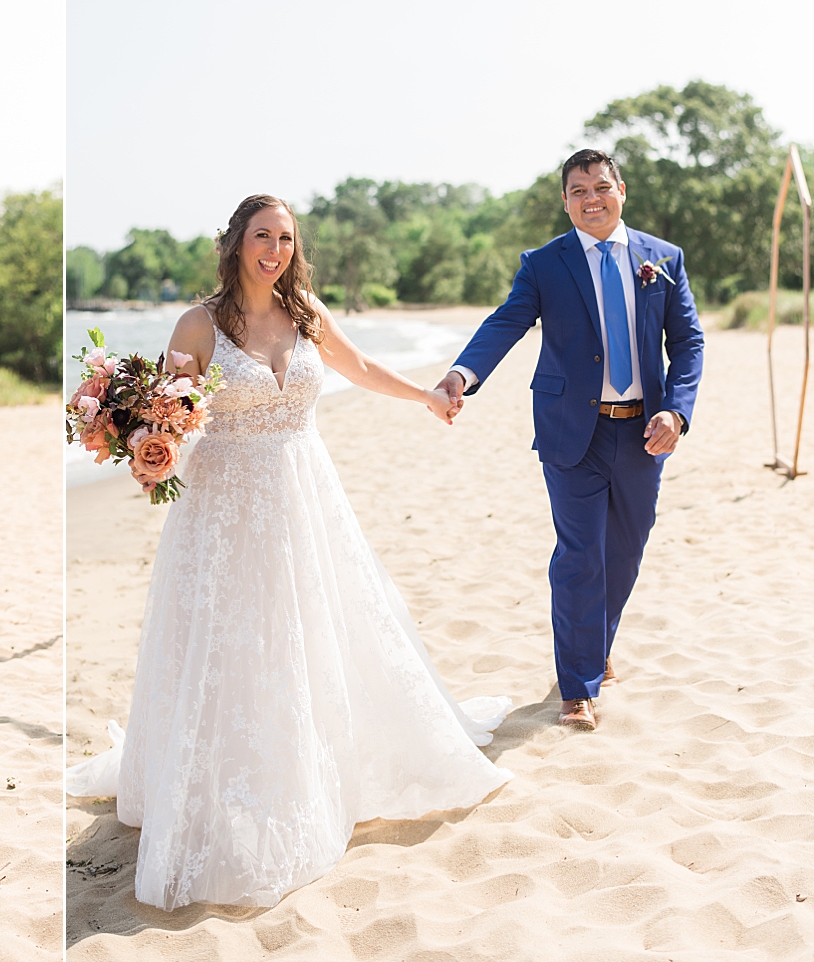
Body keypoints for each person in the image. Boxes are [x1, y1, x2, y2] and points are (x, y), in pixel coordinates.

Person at [82, 194, 512, 911]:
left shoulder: (305, 309)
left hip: (305, 496)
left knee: (308, 633)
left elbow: (361, 365)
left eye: (285, 237)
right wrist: (149, 453)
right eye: (262, 236)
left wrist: (426, 396)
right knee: (236, 644)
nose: (275, 249)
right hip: (223, 510)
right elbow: (170, 414)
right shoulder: (200, 322)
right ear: (236, 242)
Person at [440, 149, 703, 731]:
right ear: (565, 200)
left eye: (600, 187)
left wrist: (677, 414)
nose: (591, 198)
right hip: (570, 434)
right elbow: (505, 324)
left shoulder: (663, 259)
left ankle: (595, 643)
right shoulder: (544, 264)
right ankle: (578, 686)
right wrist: (463, 374)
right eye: (578, 190)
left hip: (643, 432)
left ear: (621, 191)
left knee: (626, 552)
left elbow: (688, 343)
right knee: (580, 555)